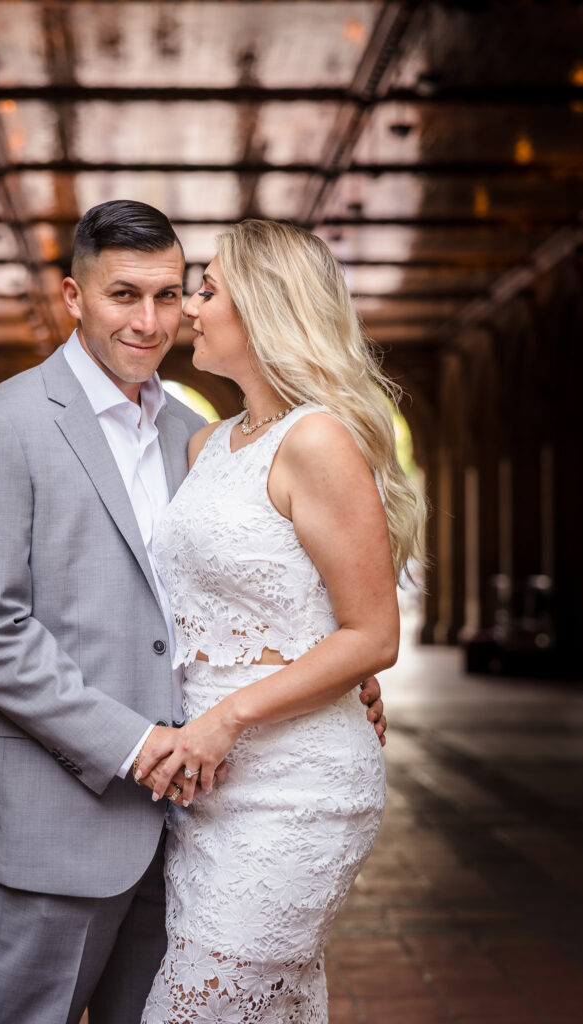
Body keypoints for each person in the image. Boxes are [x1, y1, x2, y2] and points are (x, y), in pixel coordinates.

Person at [0, 201, 386, 1024]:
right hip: (69, 802)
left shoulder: (199, 432)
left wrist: (339, 668)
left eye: (172, 294)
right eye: (122, 295)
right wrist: (137, 744)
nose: (151, 322)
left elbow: (257, 582)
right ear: (73, 296)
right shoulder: (3, 426)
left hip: (201, 810)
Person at [138, 219, 427, 1021]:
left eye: (206, 289)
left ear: (263, 306)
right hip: (204, 789)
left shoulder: (319, 440)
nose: (187, 309)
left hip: (295, 788)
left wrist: (226, 719)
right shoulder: (209, 446)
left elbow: (372, 635)